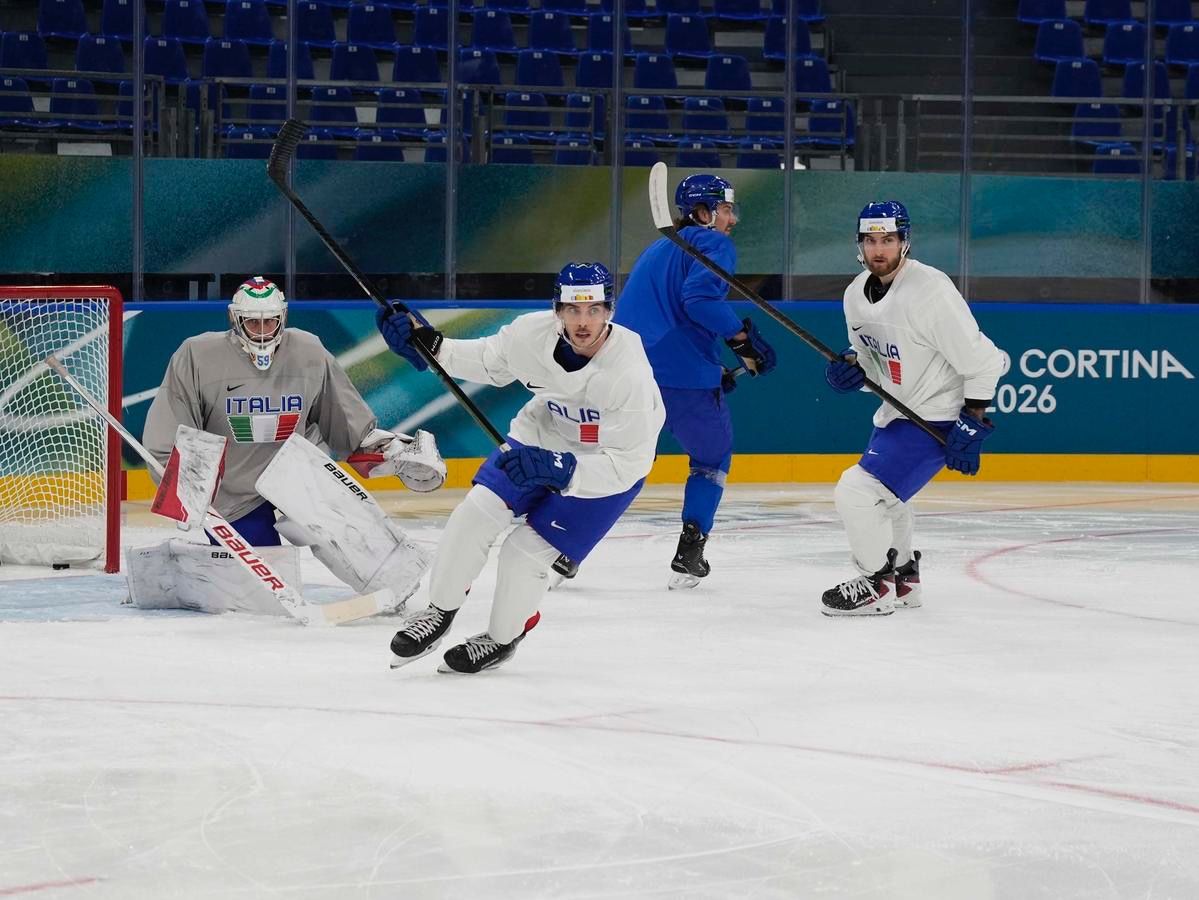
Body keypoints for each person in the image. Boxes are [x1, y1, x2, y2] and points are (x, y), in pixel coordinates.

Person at [376, 262, 665, 674]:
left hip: (604, 469)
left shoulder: (629, 375)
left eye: (594, 310)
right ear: (557, 310)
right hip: (540, 436)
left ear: (609, 311)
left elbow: (629, 463)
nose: (583, 322)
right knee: (474, 514)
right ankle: (439, 610)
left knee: (523, 554)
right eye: (573, 310)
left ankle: (501, 638)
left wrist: (562, 469)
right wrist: (429, 344)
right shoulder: (530, 333)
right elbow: (487, 361)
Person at [133, 276, 446, 616]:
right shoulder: (197, 355)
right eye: (253, 322)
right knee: (258, 601)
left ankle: (395, 585)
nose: (262, 330)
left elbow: (346, 424)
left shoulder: (309, 351)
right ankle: (180, 570)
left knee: (352, 531)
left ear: (282, 317)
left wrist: (393, 454)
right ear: (235, 320)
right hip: (234, 490)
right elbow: (168, 436)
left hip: (297, 473)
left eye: (270, 321)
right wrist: (190, 493)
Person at [821, 202, 1006, 616]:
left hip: (934, 415)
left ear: (904, 242)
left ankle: (875, 585)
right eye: (871, 241)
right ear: (859, 244)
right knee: (889, 500)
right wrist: (852, 370)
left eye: (888, 240)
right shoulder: (854, 295)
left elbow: (984, 362)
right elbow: (875, 363)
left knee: (858, 491)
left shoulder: (930, 290)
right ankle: (903, 579)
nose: (879, 250)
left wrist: (973, 420)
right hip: (897, 413)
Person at [613, 173, 777, 589]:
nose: (731, 220)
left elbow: (658, 315)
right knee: (711, 459)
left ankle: (565, 547)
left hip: (628, 375)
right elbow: (699, 301)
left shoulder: (657, 249)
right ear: (703, 213)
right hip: (683, 380)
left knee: (623, 462)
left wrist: (713, 369)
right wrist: (742, 340)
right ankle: (690, 549)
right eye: (725, 209)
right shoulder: (714, 243)